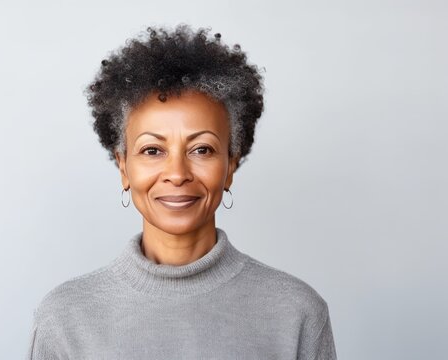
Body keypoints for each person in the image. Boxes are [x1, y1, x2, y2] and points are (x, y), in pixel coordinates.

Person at [26, 24, 337, 360]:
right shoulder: (64, 319)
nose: (177, 174)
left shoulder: (296, 313)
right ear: (123, 166)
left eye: (201, 149)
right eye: (152, 150)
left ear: (231, 165)